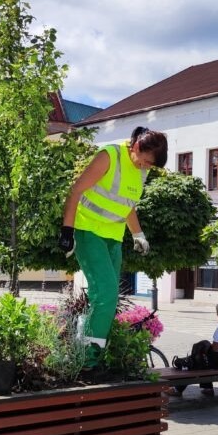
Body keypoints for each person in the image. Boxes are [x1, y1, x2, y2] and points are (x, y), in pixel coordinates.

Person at [60, 126, 168, 366]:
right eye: (146, 161)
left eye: (151, 166)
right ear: (137, 147)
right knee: (106, 294)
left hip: (114, 236)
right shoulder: (109, 156)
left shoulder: (141, 170)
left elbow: (126, 203)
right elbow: (76, 190)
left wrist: (138, 234)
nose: (147, 167)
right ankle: (88, 359)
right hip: (88, 230)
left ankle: (84, 350)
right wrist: (67, 230)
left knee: (107, 297)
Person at [169, 302, 218, 397]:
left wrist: (202, 351)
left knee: (197, 360)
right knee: (204, 360)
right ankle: (207, 388)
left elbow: (215, 348)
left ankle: (178, 389)